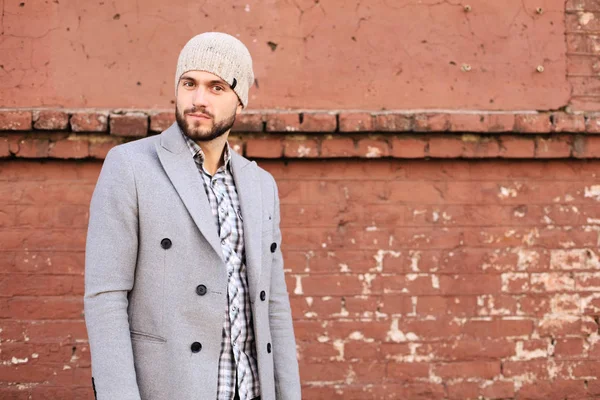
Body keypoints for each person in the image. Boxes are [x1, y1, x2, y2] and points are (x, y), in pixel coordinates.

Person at [84, 32, 301, 400]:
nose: (198, 99)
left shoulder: (260, 185)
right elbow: (105, 297)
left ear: (240, 101)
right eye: (190, 83)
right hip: (170, 387)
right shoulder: (130, 167)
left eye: (216, 87)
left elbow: (273, 306)